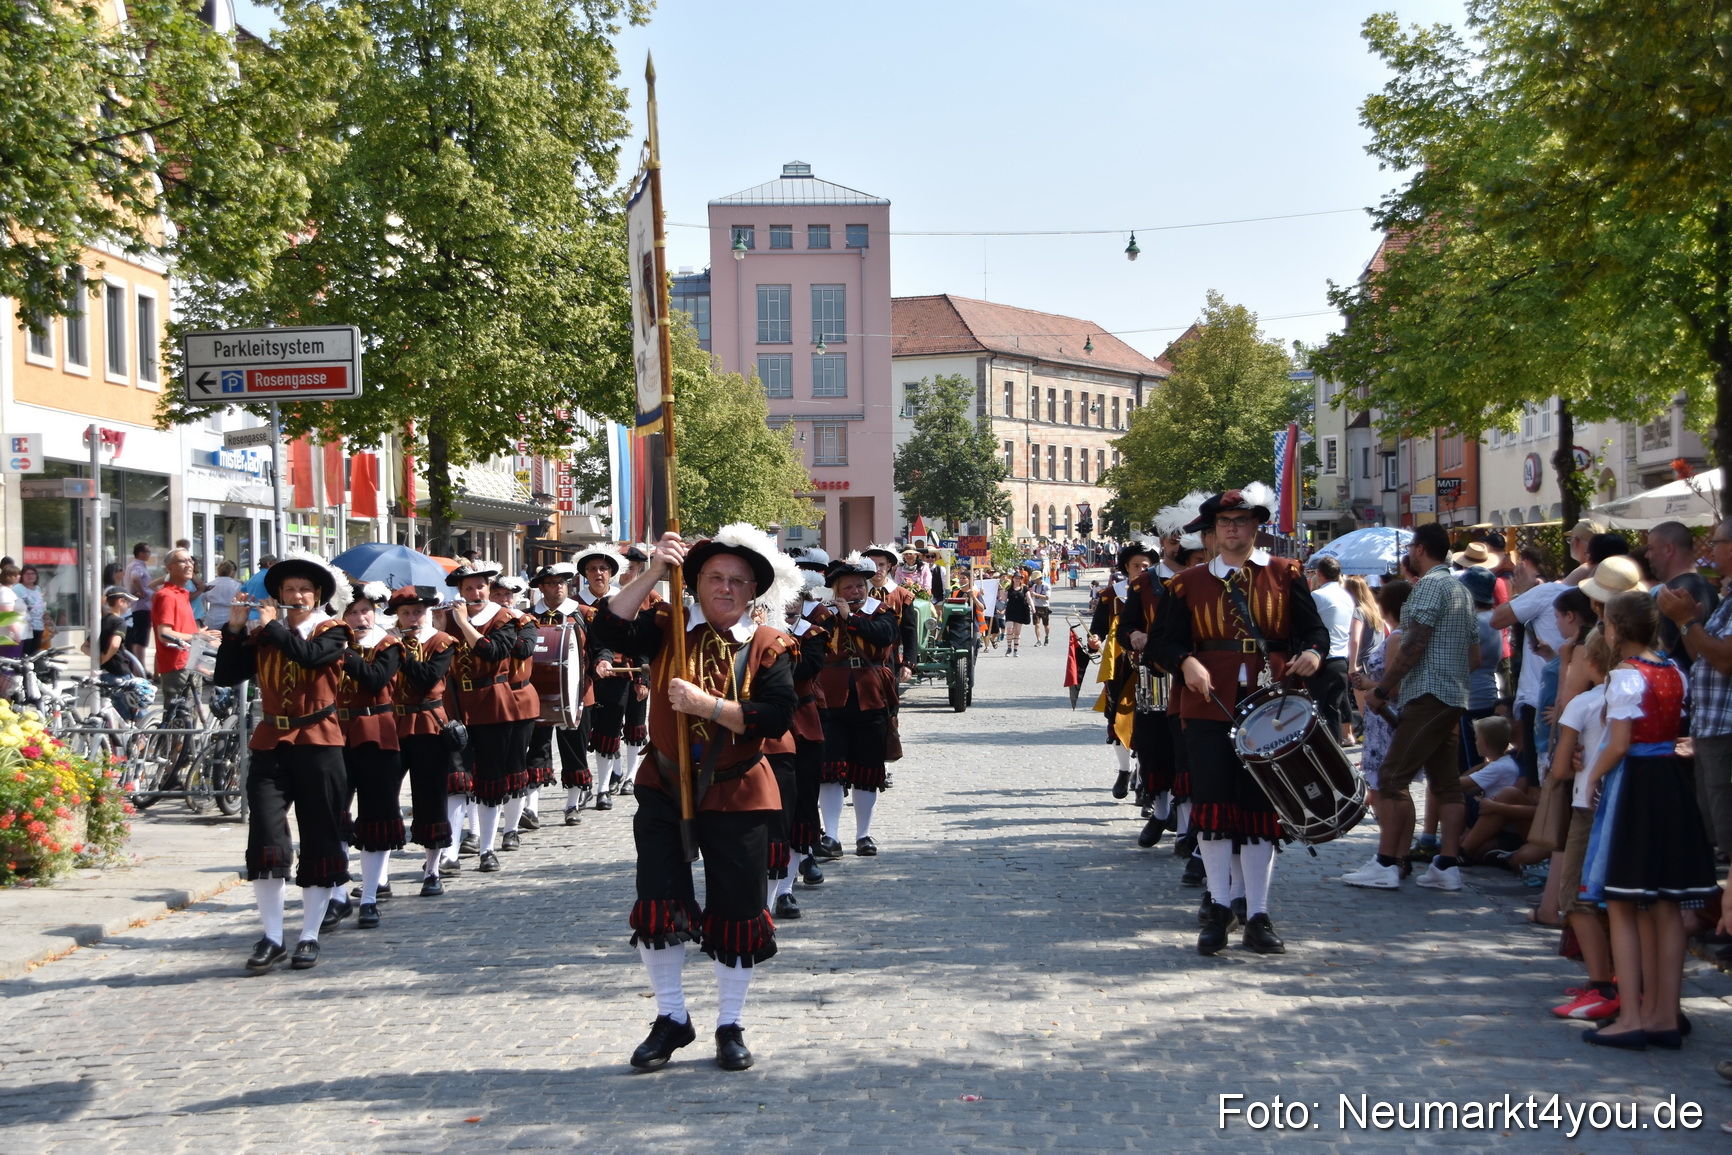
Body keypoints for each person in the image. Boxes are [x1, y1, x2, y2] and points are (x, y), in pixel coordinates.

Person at [591, 524, 798, 1073]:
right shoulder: (666, 628)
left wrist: (709, 707)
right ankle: (672, 1018)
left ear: (754, 591)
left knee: (737, 912)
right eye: (713, 577)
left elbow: (775, 717)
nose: (725, 588)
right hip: (664, 787)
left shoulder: (769, 645)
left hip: (739, 793)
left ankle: (729, 1024)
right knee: (658, 906)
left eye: (737, 581)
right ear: (696, 582)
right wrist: (655, 570)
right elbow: (606, 628)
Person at [1151, 485, 1327, 956]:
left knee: (1259, 811)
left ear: (1255, 527)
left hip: (1272, 703)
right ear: (1212, 533)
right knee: (1212, 807)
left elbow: (1314, 632)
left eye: (1242, 522)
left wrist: (1311, 653)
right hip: (1208, 706)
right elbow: (1161, 646)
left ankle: (1260, 914)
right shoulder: (1186, 585)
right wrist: (1185, 662)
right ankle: (1220, 904)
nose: (1233, 530)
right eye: (1225, 524)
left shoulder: (1285, 574)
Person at [1579, 591, 1718, 1049]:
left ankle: (1633, 1014)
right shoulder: (1672, 670)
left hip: (1635, 786)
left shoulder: (1625, 676)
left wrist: (1590, 777)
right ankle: (1664, 1012)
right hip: (1670, 785)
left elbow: (1618, 743)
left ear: (1614, 629)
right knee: (1666, 905)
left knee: (1622, 902)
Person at [212, 554, 354, 973]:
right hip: (271, 742)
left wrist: (273, 625)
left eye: (304, 590)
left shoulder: (335, 632)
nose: (296, 596)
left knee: (319, 837)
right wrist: (235, 630)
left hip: (319, 742)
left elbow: (310, 657)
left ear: (318, 597)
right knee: (267, 839)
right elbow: (225, 676)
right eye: (289, 590)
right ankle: (272, 936)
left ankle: (308, 934)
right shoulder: (265, 635)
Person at [1346, 522, 1479, 892]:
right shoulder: (1459, 589)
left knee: (1391, 777)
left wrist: (1383, 689)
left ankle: (1387, 863)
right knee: (1446, 784)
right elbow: (1475, 655)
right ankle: (1446, 866)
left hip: (1428, 696)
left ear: (1420, 549)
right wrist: (1450, 678)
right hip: (1453, 695)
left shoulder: (1430, 587)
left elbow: (1413, 644)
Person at [1548, 628, 1617, 1022]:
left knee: (1574, 896)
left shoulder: (1584, 704)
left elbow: (1559, 770)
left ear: (1589, 663)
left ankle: (1601, 983)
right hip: (1620, 806)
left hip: (1586, 807)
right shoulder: (1631, 697)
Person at [446, 560, 533, 873]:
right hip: (457, 705)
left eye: (480, 586)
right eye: (468, 588)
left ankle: (487, 848)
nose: (475, 592)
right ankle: (451, 851)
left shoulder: (504, 618)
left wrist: (463, 623)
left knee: (492, 779)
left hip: (494, 703)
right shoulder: (446, 619)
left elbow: (494, 652)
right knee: (457, 780)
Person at [814, 553, 900, 857]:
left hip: (871, 695)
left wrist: (851, 619)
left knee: (868, 768)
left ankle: (864, 835)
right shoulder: (822, 614)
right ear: (837, 591)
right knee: (830, 768)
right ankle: (832, 836)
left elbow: (886, 635)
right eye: (848, 587)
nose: (855, 592)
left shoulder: (881, 612)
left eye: (859, 586)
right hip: (831, 696)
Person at [331, 582, 403, 930]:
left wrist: (345, 652)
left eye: (366, 611)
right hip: (335, 734)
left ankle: (371, 896)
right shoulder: (327, 644)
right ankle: (337, 895)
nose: (361, 618)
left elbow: (376, 680)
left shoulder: (389, 645)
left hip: (375, 733)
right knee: (335, 815)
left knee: (376, 815)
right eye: (353, 612)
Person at [1661, 518, 1732, 862]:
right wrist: (1685, 621)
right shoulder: (1726, 597)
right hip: (1709, 723)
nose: (1710, 550)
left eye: (1716, 542)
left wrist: (1687, 622)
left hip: (1724, 725)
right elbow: (1699, 654)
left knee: (1722, 817)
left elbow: (1725, 661)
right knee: (1708, 817)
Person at [388, 585, 458, 896]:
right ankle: (378, 873)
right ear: (397, 616)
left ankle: (432, 869)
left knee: (430, 798)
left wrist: (401, 650)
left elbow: (427, 678)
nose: (413, 618)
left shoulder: (441, 642)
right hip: (392, 723)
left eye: (418, 612)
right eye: (406, 613)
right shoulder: (385, 643)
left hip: (428, 723)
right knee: (384, 796)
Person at [525, 562, 592, 825]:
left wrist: (602, 663)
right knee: (536, 750)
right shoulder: (528, 616)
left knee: (574, 749)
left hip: (577, 693)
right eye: (552, 583)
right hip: (536, 696)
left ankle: (573, 804)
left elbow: (600, 648)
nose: (559, 587)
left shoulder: (584, 614)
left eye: (563, 582)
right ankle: (530, 807)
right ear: (541, 588)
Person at [1491, 546, 1566, 784]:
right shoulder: (1558, 591)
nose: (1517, 569)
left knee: (1541, 779)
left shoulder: (1545, 592)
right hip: (1542, 693)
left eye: (1523, 564)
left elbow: (1498, 619)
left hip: (1541, 697)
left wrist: (1522, 592)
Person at [1093, 541, 1156, 801]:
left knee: (1149, 721)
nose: (1141, 569)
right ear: (1126, 568)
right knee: (1118, 718)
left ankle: (1143, 779)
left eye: (1146, 566)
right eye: (1136, 565)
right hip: (1120, 665)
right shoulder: (1112, 595)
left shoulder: (1161, 592)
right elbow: (1098, 628)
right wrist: (1095, 639)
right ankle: (1123, 770)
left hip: (1153, 663)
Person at [152, 548, 214, 707]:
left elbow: (187, 631)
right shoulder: (166, 595)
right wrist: (197, 636)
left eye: (190, 561)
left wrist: (200, 636)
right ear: (170, 568)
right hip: (176, 665)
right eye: (182, 561)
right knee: (180, 720)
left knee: (192, 716)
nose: (189, 565)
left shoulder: (183, 593)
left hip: (190, 661)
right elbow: (164, 634)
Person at [1308, 556, 1357, 746]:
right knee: (1333, 710)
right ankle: (1335, 755)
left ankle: (1326, 754)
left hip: (1322, 660)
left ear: (1319, 574)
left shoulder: (1318, 596)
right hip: (1340, 659)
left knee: (1319, 712)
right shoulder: (1347, 597)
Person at [124, 542, 155, 662]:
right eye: (148, 552)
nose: (149, 554)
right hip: (142, 606)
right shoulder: (138, 566)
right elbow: (135, 577)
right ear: (140, 553)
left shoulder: (134, 564)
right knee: (141, 639)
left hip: (139, 606)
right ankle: (140, 668)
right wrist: (141, 592)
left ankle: (138, 667)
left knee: (139, 638)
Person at [15, 565, 48, 656]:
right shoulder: (18, 588)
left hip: (38, 625)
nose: (30, 576)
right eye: (27, 574)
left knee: (35, 654)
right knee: (25, 653)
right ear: (22, 576)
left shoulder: (37, 588)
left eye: (33, 573)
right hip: (26, 626)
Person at [205, 561, 242, 631]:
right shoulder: (237, 585)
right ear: (231, 571)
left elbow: (200, 599)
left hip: (212, 618)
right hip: (230, 617)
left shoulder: (209, 585)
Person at [1003, 568, 1032, 656]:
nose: (1017, 579)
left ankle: (1015, 650)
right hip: (1010, 610)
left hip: (1020, 610)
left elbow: (1029, 598)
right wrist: (1001, 590)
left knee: (1017, 632)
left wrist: (1033, 607)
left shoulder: (1024, 588)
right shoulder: (1009, 588)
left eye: (1019, 578)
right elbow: (1004, 599)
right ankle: (1009, 648)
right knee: (1009, 629)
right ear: (1013, 579)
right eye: (1016, 578)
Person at [1028, 567, 1052, 646]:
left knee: (1046, 624)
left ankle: (1047, 636)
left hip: (1044, 606)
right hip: (1036, 606)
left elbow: (1047, 597)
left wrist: (1036, 594)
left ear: (1039, 578)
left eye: (1035, 579)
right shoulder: (1034, 586)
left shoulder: (1046, 586)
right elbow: (1032, 596)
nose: (1034, 581)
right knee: (1037, 624)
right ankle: (1038, 640)